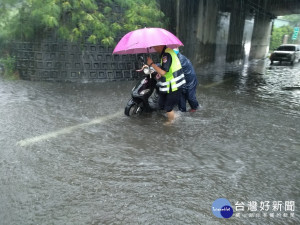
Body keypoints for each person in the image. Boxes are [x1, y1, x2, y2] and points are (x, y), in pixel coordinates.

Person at [147, 45, 186, 125]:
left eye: (154, 47)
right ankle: (174, 116)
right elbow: (166, 69)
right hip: (172, 84)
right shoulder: (167, 52)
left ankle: (170, 122)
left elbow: (163, 72)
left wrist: (152, 64)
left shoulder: (166, 55)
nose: (154, 48)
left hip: (174, 85)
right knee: (162, 103)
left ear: (159, 46)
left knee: (168, 107)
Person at [173, 48, 199, 112]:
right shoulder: (173, 58)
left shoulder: (181, 59)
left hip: (190, 80)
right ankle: (183, 113)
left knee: (190, 97)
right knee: (181, 105)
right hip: (180, 82)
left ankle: (195, 108)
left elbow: (171, 68)